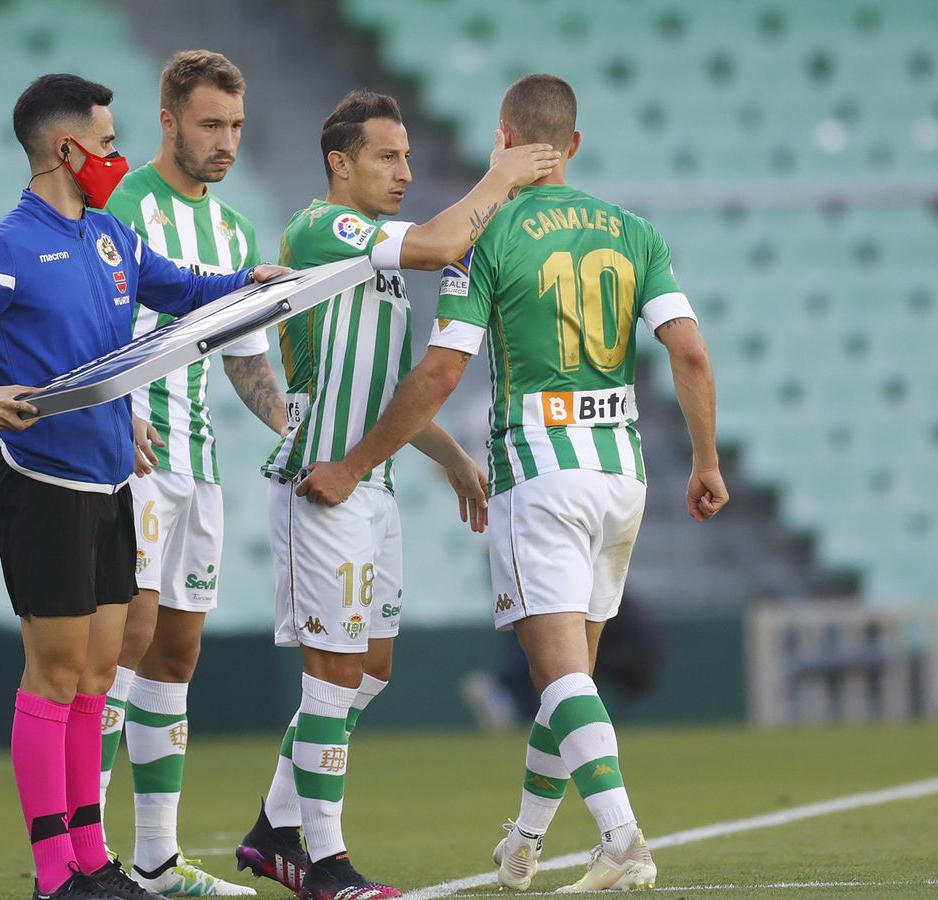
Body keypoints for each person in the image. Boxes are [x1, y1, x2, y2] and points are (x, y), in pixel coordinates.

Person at [295, 73, 730, 893]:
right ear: (571, 145)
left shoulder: (486, 237)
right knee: (572, 682)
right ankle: (524, 842)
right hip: (621, 474)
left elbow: (440, 373)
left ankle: (622, 838)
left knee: (560, 677)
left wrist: (356, 461)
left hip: (541, 467)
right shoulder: (634, 231)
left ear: (504, 139)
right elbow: (692, 352)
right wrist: (706, 462)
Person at [0, 73, 289, 900]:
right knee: (53, 675)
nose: (117, 158)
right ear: (65, 148)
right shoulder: (5, 246)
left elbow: (184, 290)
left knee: (95, 676)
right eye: (108, 145)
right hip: (41, 480)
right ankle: (55, 874)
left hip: (113, 478)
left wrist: (251, 284)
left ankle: (93, 859)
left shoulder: (113, 238)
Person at [233, 90, 559, 899]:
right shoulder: (322, 228)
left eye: (409, 156)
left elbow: (384, 389)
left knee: (369, 671)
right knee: (333, 676)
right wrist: (499, 177)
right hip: (325, 483)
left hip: (369, 484)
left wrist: (447, 457)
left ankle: (275, 828)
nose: (405, 172)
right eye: (388, 156)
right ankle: (326, 864)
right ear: (340, 163)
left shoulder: (372, 259)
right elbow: (447, 239)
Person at [98, 50, 283, 897]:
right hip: (133, 454)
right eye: (211, 124)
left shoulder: (236, 234)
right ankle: (86, 863)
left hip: (200, 463)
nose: (226, 142)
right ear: (168, 121)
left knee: (176, 651)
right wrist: (116, 409)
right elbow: (93, 324)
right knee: (123, 644)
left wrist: (291, 428)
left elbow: (247, 360)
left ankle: (157, 861)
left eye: (236, 127)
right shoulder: (121, 204)